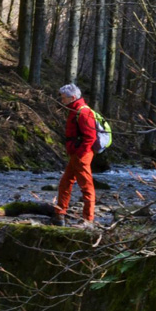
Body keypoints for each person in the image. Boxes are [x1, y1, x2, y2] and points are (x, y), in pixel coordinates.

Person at [53, 84, 96, 227]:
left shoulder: (83, 112)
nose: (62, 100)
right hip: (76, 154)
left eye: (64, 98)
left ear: (72, 98)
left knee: (86, 187)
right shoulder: (75, 110)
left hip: (82, 155)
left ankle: (88, 220)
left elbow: (90, 137)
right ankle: (60, 215)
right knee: (65, 183)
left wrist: (80, 153)